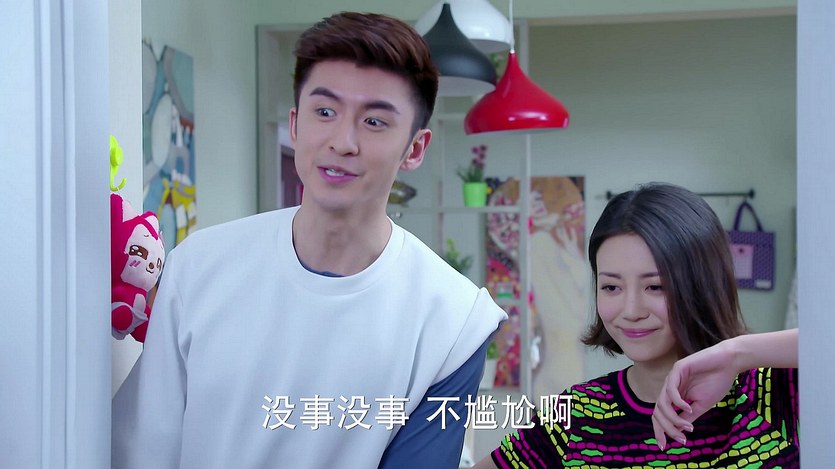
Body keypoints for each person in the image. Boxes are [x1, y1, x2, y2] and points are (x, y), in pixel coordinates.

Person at [112, 12, 506, 469]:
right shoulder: (197, 268)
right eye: (325, 112)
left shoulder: (455, 319)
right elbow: (143, 449)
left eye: (375, 121)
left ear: (415, 148)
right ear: (296, 125)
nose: (343, 141)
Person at [474, 182, 799, 469]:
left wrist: (737, 353)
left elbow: (823, 344)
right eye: (611, 287)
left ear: (703, 284)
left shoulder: (770, 392)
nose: (630, 311)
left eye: (655, 286)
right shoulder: (574, 416)